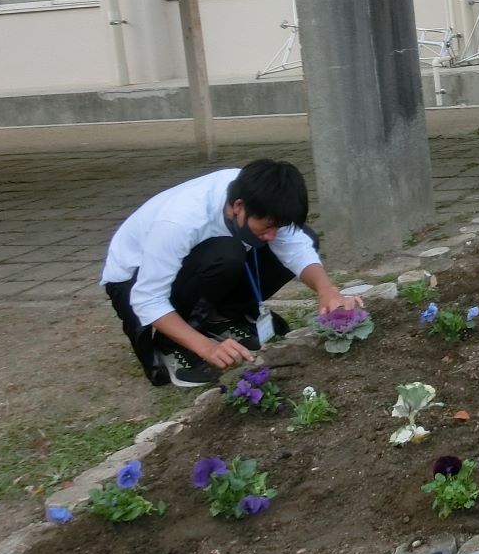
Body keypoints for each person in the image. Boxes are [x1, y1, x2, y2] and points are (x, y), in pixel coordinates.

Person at [101, 159, 360, 388]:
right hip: (132, 281)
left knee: (305, 238)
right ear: (238, 206)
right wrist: (206, 347)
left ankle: (218, 320)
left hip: (195, 266)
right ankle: (172, 344)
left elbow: (297, 249)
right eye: (268, 226)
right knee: (226, 253)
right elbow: (147, 298)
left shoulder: (255, 196)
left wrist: (327, 291)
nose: (272, 234)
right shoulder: (181, 221)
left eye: (277, 226)